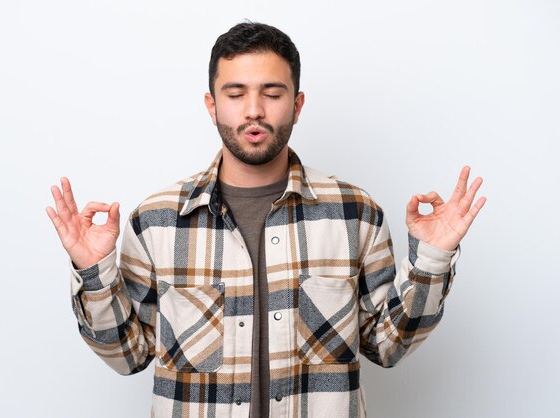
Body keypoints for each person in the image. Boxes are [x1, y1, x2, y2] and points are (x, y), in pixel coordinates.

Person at [46, 22, 485, 418]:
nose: (253, 110)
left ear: (297, 104)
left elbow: (387, 346)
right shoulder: (157, 221)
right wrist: (93, 272)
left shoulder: (355, 212)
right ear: (211, 104)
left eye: (272, 94)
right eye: (235, 94)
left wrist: (432, 259)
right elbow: (128, 355)